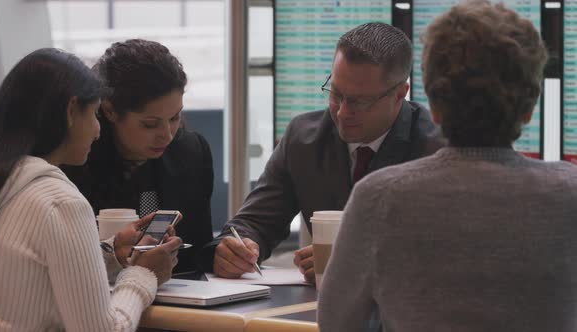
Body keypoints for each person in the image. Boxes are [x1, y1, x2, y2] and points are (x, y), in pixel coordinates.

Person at [318, 1, 577, 331]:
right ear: (529, 108)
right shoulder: (570, 194)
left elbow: (337, 325)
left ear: (433, 104)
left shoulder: (379, 198)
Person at [205, 22, 444, 282]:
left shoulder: (437, 150)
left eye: (360, 102)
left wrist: (356, 260)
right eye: (336, 94)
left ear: (400, 94)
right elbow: (254, 222)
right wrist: (235, 247)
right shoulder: (303, 139)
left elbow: (450, 252)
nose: (342, 112)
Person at [0, 48, 182, 331]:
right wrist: (143, 274)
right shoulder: (61, 202)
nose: (97, 130)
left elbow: (34, 275)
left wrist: (109, 253)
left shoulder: (1, 184)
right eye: (93, 114)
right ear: (70, 111)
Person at [63, 39, 214, 274]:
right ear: (110, 110)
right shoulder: (75, 159)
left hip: (180, 294)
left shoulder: (191, 152)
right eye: (150, 124)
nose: (166, 135)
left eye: (175, 118)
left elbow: (199, 250)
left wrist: (224, 253)